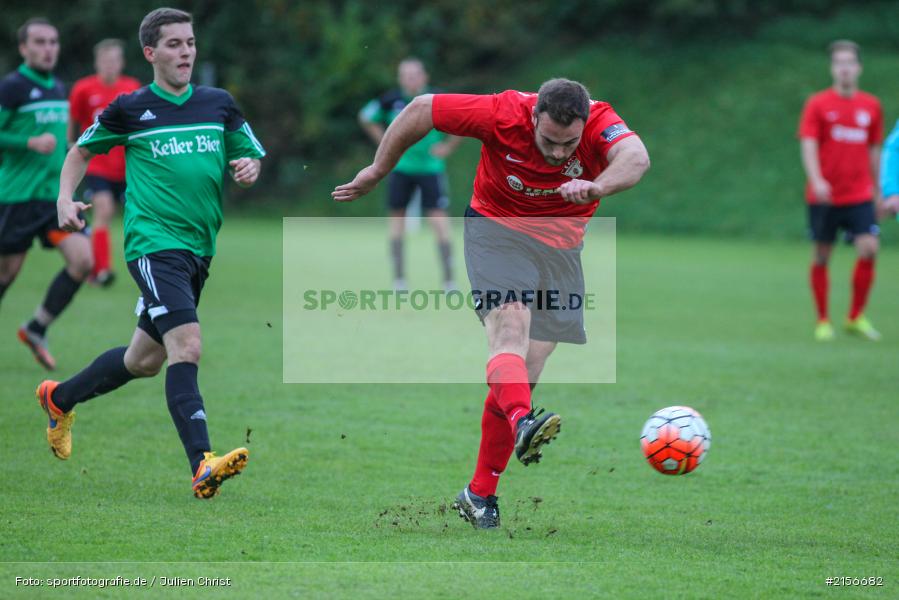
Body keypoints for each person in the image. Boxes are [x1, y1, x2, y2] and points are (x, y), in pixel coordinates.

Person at [334, 78, 649, 528]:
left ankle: (479, 493)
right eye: (548, 141)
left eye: (569, 144)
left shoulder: (601, 121)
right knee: (510, 327)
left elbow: (636, 158)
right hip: (496, 234)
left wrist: (599, 186)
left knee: (528, 369)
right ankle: (523, 421)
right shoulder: (502, 114)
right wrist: (378, 170)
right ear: (534, 116)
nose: (559, 154)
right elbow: (422, 109)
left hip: (561, 249)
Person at [38, 7, 265, 500]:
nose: (185, 52)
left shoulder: (218, 103)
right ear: (150, 53)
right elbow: (80, 150)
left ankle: (59, 398)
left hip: (199, 251)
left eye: (190, 43)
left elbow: (246, 153)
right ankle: (202, 464)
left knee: (143, 361)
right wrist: (63, 197)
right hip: (153, 245)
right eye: (174, 44)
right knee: (188, 346)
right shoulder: (130, 108)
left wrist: (247, 167)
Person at [0, 18, 93, 371]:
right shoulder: (12, 88)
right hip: (17, 198)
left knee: (83, 261)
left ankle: (36, 328)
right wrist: (29, 142)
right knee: (6, 274)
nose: (48, 48)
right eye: (40, 42)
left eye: (53, 41)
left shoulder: (57, 87)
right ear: (23, 48)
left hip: (54, 199)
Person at [799, 40, 883, 342]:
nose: (845, 68)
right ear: (832, 68)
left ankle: (855, 316)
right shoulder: (818, 104)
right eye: (839, 63)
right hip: (825, 195)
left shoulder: (871, 105)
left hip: (859, 193)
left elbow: (875, 150)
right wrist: (817, 179)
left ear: (858, 67)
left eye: (850, 62)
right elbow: (808, 144)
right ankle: (823, 320)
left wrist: (879, 190)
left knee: (869, 248)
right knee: (822, 255)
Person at [359, 58, 461, 291]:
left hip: (430, 170)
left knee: (439, 223)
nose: (410, 79)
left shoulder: (437, 99)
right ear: (400, 78)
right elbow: (365, 116)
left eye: (415, 74)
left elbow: (464, 122)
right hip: (400, 170)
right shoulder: (391, 100)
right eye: (405, 75)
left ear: (424, 77)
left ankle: (448, 280)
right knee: (397, 223)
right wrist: (384, 144)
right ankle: (399, 279)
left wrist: (447, 147)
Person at [68, 38, 141, 287]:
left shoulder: (131, 87)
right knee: (104, 210)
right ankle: (101, 270)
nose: (111, 65)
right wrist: (71, 150)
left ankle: (144, 268)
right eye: (106, 60)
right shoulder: (83, 88)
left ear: (121, 62)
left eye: (115, 60)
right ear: (97, 62)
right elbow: (74, 122)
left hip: (126, 167)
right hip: (97, 165)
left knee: (137, 216)